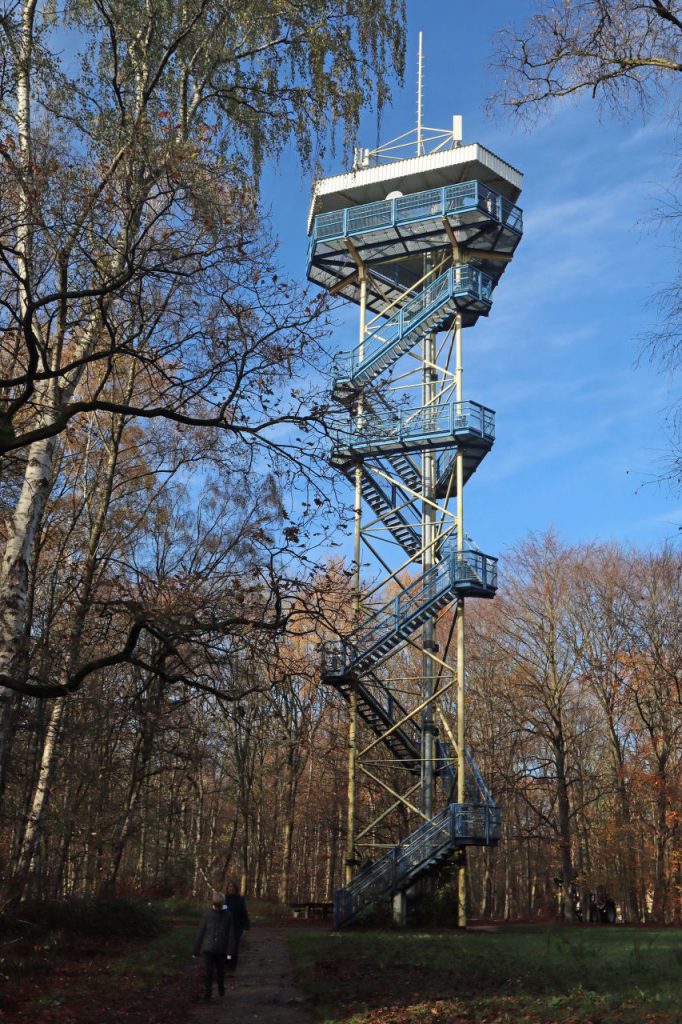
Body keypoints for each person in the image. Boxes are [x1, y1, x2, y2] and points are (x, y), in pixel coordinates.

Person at [192, 893, 234, 1002]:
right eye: (216, 905)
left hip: (221, 949)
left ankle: (221, 986)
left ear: (222, 904)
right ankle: (207, 994)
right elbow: (201, 932)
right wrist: (196, 950)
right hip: (208, 948)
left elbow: (231, 934)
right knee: (208, 971)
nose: (217, 907)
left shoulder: (228, 915)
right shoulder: (207, 915)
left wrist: (230, 952)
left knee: (220, 971)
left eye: (219, 905)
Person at [223, 880, 250, 973]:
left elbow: (244, 912)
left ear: (235, 889)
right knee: (225, 946)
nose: (231, 889)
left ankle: (232, 966)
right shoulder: (224, 899)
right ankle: (226, 963)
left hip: (237, 926)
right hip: (225, 926)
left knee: (234, 947)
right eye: (229, 887)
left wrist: (246, 924)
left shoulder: (240, 899)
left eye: (232, 887)